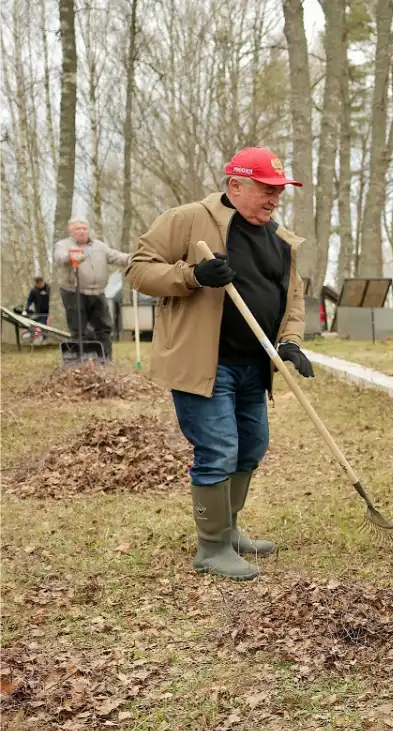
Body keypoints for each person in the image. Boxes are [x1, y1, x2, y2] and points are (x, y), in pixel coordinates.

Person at [127, 147, 313, 582]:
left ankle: (227, 530)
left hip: (254, 365)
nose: (273, 199)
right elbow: (139, 270)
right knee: (218, 451)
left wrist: (290, 342)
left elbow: (293, 297)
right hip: (205, 363)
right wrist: (192, 277)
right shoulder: (189, 219)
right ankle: (210, 547)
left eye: (278, 191)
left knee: (252, 447)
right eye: (266, 190)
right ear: (235, 185)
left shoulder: (280, 237)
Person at [53, 219, 130, 359]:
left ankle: (105, 360)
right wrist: (70, 257)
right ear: (70, 232)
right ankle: (79, 361)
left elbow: (116, 256)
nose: (82, 231)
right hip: (74, 292)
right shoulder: (63, 245)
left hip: (98, 292)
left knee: (104, 327)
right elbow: (60, 258)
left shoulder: (99, 246)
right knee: (78, 329)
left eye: (84, 228)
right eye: (78, 229)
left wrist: (132, 259)